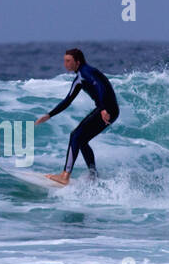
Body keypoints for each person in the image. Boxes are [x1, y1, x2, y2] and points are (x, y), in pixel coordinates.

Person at [34, 48, 120, 185]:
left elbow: (100, 88)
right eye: (64, 61)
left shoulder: (86, 72)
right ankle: (93, 175)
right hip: (110, 109)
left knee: (75, 136)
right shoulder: (80, 77)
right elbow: (68, 100)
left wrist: (103, 109)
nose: (65, 64)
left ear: (77, 62)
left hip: (107, 110)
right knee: (81, 140)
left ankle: (65, 175)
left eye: (68, 61)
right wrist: (49, 115)